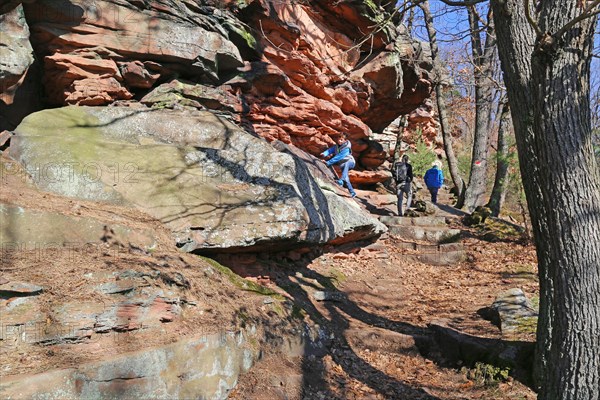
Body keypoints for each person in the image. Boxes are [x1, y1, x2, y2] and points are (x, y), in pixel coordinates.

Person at [320, 133, 356, 198]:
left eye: (341, 140)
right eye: (339, 139)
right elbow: (330, 150)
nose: (339, 141)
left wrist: (328, 162)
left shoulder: (346, 148)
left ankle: (341, 182)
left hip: (350, 162)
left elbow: (338, 157)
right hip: (342, 164)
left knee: (346, 165)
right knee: (346, 177)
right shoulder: (336, 146)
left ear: (345, 140)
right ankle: (352, 192)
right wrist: (324, 154)